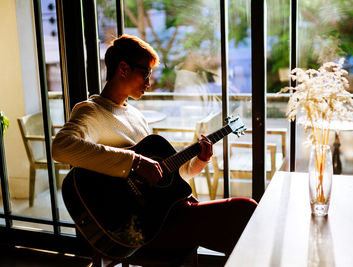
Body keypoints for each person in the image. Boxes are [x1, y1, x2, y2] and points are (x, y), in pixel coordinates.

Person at [52, 34, 257, 256]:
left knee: (243, 221)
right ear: (123, 69)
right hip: (139, 228)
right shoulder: (91, 111)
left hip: (168, 213)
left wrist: (200, 161)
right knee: (244, 212)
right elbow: (61, 147)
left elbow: (166, 180)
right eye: (145, 74)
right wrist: (135, 162)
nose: (149, 83)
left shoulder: (137, 116)